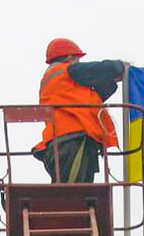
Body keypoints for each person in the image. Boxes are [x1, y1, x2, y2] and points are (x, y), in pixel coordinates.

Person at [32, 38, 124, 183]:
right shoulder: (68, 70)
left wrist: (112, 80)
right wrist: (121, 66)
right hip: (72, 141)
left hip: (66, 142)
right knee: (72, 194)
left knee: (74, 190)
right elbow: (103, 69)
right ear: (70, 58)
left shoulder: (58, 82)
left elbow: (97, 93)